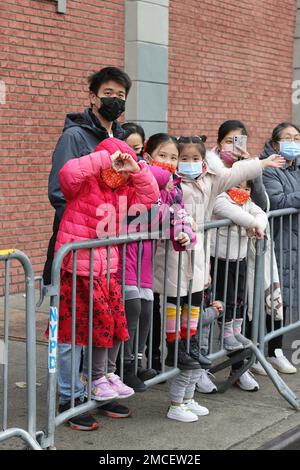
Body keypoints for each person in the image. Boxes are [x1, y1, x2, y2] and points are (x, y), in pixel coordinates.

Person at [44, 66, 133, 424]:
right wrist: (91, 227)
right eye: (108, 93)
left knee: (100, 324)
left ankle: (96, 387)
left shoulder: (122, 137)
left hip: (107, 250)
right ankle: (67, 397)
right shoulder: (75, 137)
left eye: (121, 95)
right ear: (93, 97)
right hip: (74, 247)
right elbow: (58, 191)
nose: (115, 100)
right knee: (68, 328)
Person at [52, 137, 159, 430]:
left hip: (107, 270)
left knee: (106, 330)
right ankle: (69, 397)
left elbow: (150, 197)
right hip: (75, 269)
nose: (117, 170)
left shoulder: (124, 191)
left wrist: (135, 168)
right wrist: (105, 159)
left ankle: (99, 386)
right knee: (72, 337)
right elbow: (67, 174)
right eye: (116, 162)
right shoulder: (84, 184)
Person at [142, 134, 201, 372]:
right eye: (162, 156)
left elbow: (180, 214)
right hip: (142, 258)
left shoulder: (175, 186)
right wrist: (175, 220)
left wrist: (187, 230)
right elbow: (150, 214)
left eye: (173, 157)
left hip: (161, 259)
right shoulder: (143, 182)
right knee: (146, 313)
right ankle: (144, 361)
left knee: (155, 309)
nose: (168, 161)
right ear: (148, 157)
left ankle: (161, 360)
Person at [210, 180, 269, 391]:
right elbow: (234, 214)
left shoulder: (248, 202)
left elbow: (262, 213)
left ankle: (236, 334)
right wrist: (253, 224)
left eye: (247, 188)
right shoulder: (220, 198)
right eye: (238, 186)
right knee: (221, 302)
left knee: (239, 299)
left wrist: (258, 223)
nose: (242, 192)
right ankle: (224, 340)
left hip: (240, 260)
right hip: (217, 261)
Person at [261, 122, 300, 374]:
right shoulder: (267, 169)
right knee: (273, 294)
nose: (294, 143)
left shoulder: (297, 168)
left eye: (297, 138)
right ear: (275, 144)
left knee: (286, 294)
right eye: (288, 138)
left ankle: (274, 350)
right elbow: (277, 201)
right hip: (277, 238)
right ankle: (269, 350)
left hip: (294, 240)